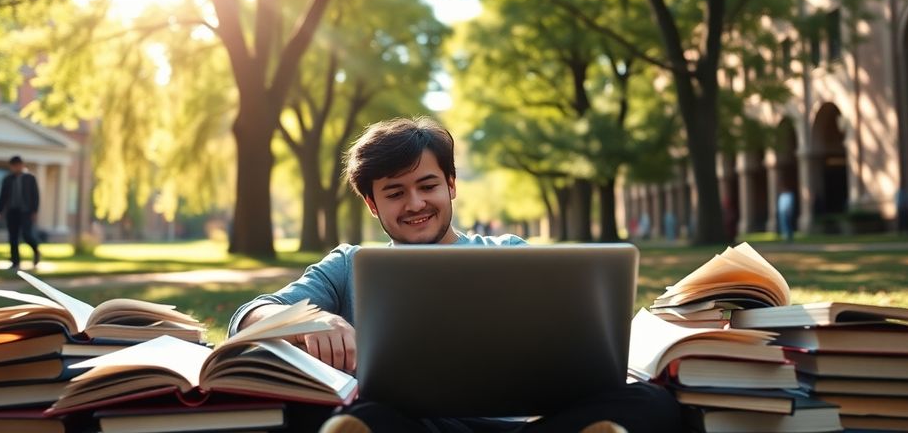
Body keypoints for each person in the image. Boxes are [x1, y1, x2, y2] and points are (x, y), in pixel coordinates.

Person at [228, 117, 682, 433]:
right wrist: (316, 321)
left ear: (451, 185)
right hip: (409, 426)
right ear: (372, 204)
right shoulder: (348, 263)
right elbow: (249, 315)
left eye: (427, 186)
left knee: (654, 403)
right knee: (333, 411)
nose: (415, 204)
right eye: (394, 193)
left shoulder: (510, 255)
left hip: (522, 427)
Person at [0, 155, 41, 270]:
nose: (15, 168)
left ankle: (36, 251)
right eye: (13, 166)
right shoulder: (8, 179)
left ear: (21, 165)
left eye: (17, 166)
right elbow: (3, 196)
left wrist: (34, 211)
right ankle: (15, 262)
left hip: (26, 212)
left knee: (26, 234)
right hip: (12, 211)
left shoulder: (30, 178)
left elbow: (35, 196)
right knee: (13, 237)